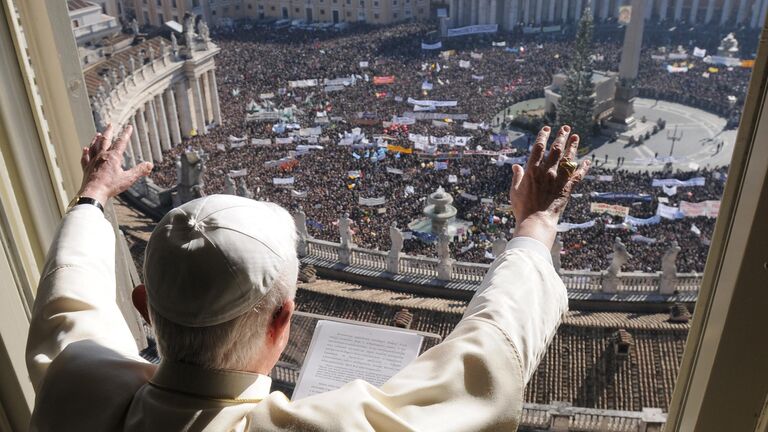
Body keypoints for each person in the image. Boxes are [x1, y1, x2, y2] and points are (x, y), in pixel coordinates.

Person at [26, 124, 590, 430]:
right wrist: (537, 223)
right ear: (283, 322)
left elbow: (70, 303)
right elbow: (486, 363)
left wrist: (92, 195)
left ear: (145, 305)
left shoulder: (77, 387)